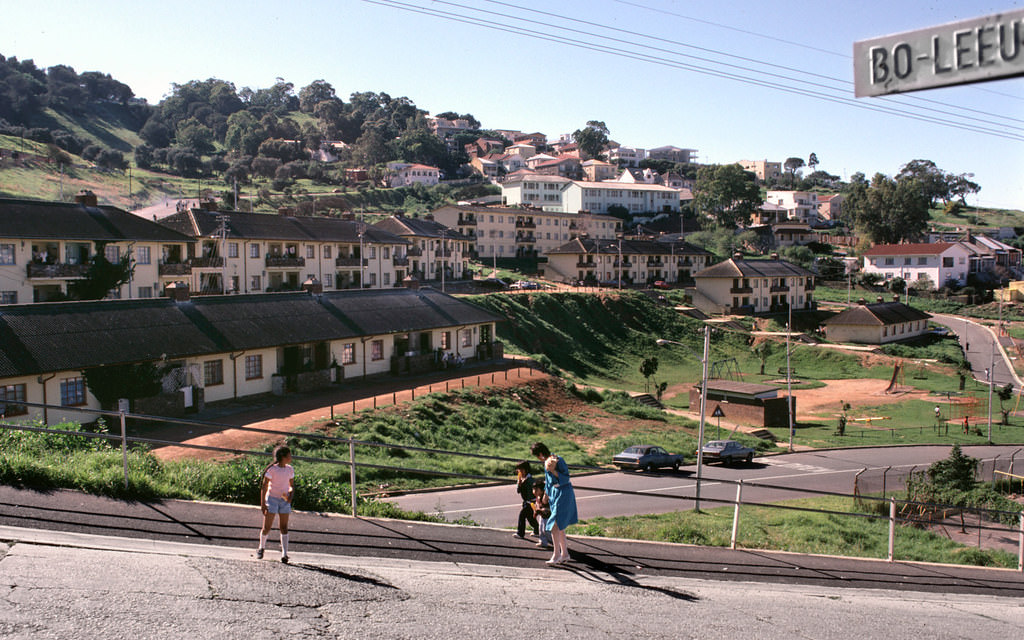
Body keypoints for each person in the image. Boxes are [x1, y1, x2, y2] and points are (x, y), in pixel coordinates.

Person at [531, 441, 578, 565]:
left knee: (554, 525)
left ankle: (556, 555)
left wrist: (553, 471)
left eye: (537, 456)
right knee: (559, 525)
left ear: (540, 454)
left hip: (563, 493)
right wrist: (545, 496)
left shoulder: (557, 460)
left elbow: (566, 478)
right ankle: (565, 554)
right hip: (555, 494)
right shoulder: (548, 462)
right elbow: (548, 482)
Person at [258, 445, 295, 563]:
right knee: (267, 527)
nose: (291, 457)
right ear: (283, 457)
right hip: (272, 499)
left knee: (284, 527)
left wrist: (290, 496)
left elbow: (291, 485)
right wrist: (263, 503)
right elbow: (264, 486)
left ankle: (284, 553)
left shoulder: (290, 469)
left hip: (283, 500)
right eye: (289, 455)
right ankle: (261, 547)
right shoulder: (272, 469)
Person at [513, 461, 538, 539]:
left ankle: (520, 533)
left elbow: (532, 493)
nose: (519, 472)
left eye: (520, 470)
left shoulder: (530, 480)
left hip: (531, 502)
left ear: (526, 470)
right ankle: (537, 530)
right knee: (530, 518)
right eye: (518, 470)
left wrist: (531, 502)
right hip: (526, 502)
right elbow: (518, 491)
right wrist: (519, 484)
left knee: (522, 515)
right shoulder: (522, 480)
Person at [532, 483, 552, 549]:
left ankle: (553, 540)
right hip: (542, 516)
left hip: (548, 517)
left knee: (546, 530)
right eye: (533, 489)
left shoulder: (545, 497)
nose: (534, 491)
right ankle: (543, 542)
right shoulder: (538, 497)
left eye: (536, 490)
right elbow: (537, 505)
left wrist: (542, 510)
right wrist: (536, 510)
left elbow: (550, 508)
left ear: (542, 490)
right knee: (540, 529)